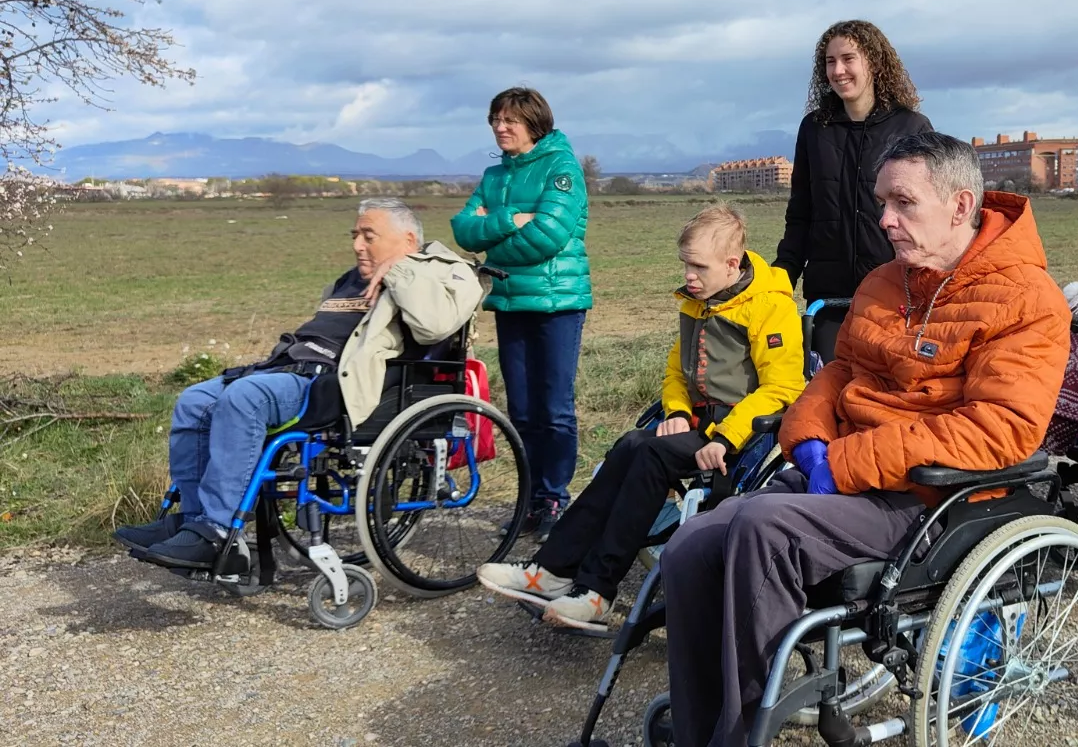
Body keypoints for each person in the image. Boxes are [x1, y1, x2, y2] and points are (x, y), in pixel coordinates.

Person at [660, 132, 1072, 747]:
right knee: (691, 542)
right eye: (882, 202)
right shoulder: (887, 281)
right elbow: (838, 373)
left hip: (934, 499)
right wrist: (807, 441)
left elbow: (1000, 428)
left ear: (960, 206)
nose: (884, 219)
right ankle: (701, 731)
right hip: (844, 480)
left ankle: (742, 735)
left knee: (762, 529)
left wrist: (843, 463)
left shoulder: (1026, 300)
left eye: (903, 203)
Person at [473, 204, 805, 627]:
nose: (688, 275)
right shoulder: (699, 301)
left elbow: (783, 388)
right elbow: (676, 370)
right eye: (685, 264)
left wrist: (725, 437)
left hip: (741, 436)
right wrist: (679, 412)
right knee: (632, 443)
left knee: (649, 456)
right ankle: (552, 570)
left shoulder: (769, 308)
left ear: (731, 265)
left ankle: (597, 590)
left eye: (698, 267)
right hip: (697, 426)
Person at [114, 199, 483, 570]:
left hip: (333, 385)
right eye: (355, 235)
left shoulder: (443, 273)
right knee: (195, 400)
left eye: (368, 236)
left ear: (407, 240)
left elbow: (435, 325)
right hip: (291, 368)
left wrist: (401, 270)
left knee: (246, 399)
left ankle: (217, 530)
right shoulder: (349, 279)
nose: (357, 245)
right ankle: (193, 522)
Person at [451, 87, 591, 543]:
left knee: (554, 408)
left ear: (534, 123)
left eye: (510, 119)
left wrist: (496, 237)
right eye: (495, 119)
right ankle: (530, 497)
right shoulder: (494, 176)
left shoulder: (562, 168)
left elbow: (549, 235)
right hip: (510, 302)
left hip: (557, 303)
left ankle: (554, 496)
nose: (500, 127)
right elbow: (464, 230)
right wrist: (512, 218)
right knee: (522, 410)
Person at [773, 20, 932, 359]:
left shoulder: (911, 127)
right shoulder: (815, 129)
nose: (838, 70)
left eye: (848, 58)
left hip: (896, 293)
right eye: (830, 62)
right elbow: (801, 211)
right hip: (828, 298)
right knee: (829, 393)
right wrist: (781, 275)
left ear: (873, 62)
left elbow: (929, 214)